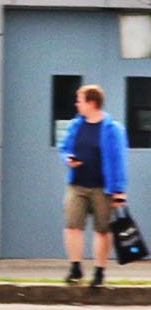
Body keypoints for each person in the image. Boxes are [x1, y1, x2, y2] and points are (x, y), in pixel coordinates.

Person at [62, 83, 129, 287]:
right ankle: (76, 267)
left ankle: (99, 272)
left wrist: (119, 191)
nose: (77, 104)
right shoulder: (76, 125)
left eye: (80, 100)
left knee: (102, 230)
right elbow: (65, 147)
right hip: (77, 185)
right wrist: (68, 158)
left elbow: (119, 160)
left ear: (92, 102)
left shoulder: (112, 129)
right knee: (73, 226)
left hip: (103, 188)